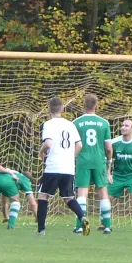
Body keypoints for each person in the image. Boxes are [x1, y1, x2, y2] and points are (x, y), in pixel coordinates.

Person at [36, 97, 89, 236]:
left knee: (43, 196)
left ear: (49, 109)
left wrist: (41, 152)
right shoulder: (70, 125)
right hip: (68, 168)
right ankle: (82, 217)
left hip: (54, 167)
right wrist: (71, 158)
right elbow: (79, 145)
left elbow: (48, 143)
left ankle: (41, 230)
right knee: (69, 198)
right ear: (63, 109)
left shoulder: (48, 124)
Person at [72, 94, 113, 234]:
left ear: (84, 104)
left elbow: (75, 144)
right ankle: (107, 225)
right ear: (97, 105)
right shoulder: (104, 123)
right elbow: (108, 147)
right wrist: (109, 162)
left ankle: (81, 226)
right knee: (102, 192)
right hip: (99, 160)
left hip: (83, 160)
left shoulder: (76, 123)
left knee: (82, 193)